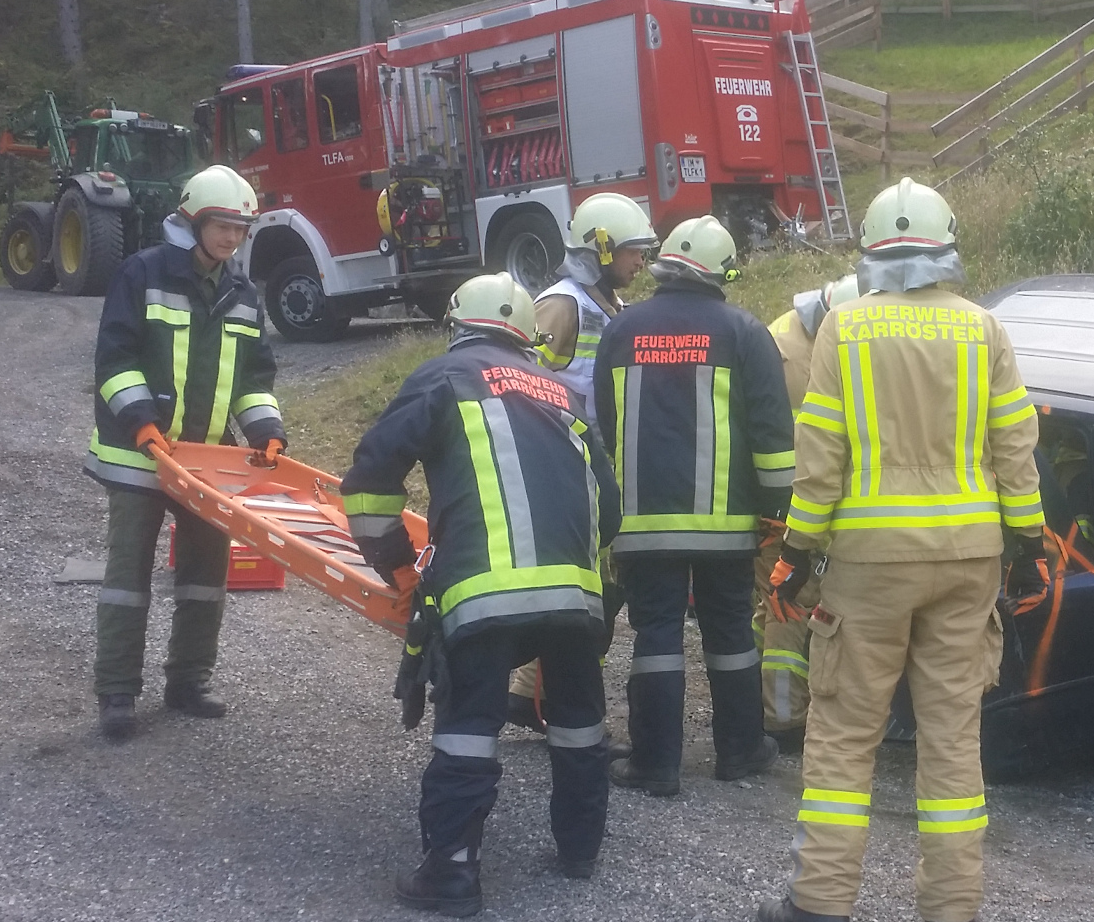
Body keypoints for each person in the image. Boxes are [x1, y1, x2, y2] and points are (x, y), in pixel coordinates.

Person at [759, 178, 1046, 922]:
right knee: (952, 737)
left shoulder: (842, 331)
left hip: (869, 565)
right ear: (948, 246)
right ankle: (951, 909)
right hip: (967, 560)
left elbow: (819, 455)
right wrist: (1029, 543)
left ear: (870, 252)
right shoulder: (985, 330)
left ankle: (818, 904)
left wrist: (796, 549)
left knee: (846, 735)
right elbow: (1015, 446)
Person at [341, 273, 621, 916]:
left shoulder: (442, 378)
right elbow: (608, 508)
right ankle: (580, 848)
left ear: (457, 326)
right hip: (575, 594)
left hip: (483, 595)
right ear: (525, 335)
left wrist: (395, 561)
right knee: (578, 722)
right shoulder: (563, 393)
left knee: (469, 725)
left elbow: (368, 479)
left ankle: (454, 871)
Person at [594, 215, 796, 797]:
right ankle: (740, 750)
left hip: (641, 523)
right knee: (729, 629)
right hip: (726, 526)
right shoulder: (743, 330)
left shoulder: (622, 329)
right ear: (721, 272)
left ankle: (655, 764)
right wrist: (776, 509)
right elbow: (771, 434)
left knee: (654, 631)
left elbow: (607, 425)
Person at [87, 164, 284, 741]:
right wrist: (142, 425)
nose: (230, 238)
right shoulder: (143, 273)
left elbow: (254, 378)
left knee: (206, 577)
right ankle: (117, 693)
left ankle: (188, 681)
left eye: (240, 229)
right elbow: (114, 360)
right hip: (139, 457)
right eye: (221, 225)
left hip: (206, 463)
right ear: (193, 220)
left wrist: (266, 430)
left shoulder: (244, 295)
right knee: (128, 578)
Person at [505, 192, 658, 734]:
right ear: (600, 250)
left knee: (593, 588)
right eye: (634, 252)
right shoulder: (562, 304)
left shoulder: (604, 304)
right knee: (587, 591)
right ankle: (566, 705)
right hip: (568, 466)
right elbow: (519, 380)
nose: (641, 263)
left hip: (594, 466)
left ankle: (530, 694)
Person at [753, 273, 861, 750]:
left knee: (777, 607)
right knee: (789, 609)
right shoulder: (821, 353)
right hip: (803, 510)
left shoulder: (780, 333)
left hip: (782, 504)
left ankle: (771, 709)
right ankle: (784, 717)